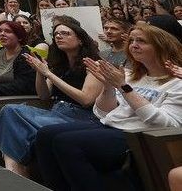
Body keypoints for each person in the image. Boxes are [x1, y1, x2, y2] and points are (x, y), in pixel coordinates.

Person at [35, 24, 182, 190]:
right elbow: (103, 112)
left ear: (160, 46)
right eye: (132, 40)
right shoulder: (131, 74)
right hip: (110, 125)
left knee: (66, 143)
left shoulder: (177, 82)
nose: (133, 44)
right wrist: (108, 86)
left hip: (137, 134)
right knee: (45, 134)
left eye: (141, 41)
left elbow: (167, 124)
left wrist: (124, 87)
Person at [0, 19, 103, 179]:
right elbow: (43, 95)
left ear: (80, 39)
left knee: (16, 128)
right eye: (56, 34)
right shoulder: (59, 64)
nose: (59, 36)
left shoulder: (94, 64)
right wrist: (40, 72)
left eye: (65, 33)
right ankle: (15, 172)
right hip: (55, 112)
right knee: (9, 110)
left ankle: (16, 175)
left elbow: (86, 99)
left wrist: (49, 74)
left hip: (80, 118)